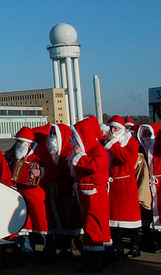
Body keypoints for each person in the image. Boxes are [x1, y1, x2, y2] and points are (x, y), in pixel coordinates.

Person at [70, 117, 113, 272]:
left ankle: (94, 261)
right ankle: (107, 254)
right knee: (96, 224)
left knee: (93, 224)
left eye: (76, 137)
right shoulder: (91, 150)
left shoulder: (97, 150)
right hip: (87, 191)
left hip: (94, 192)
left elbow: (96, 167)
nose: (73, 140)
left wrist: (81, 157)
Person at [6, 127, 51, 258]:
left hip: (37, 195)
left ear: (28, 143)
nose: (18, 144)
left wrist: (41, 172)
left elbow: (53, 171)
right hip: (21, 194)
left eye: (21, 142)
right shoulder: (16, 153)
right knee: (25, 224)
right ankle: (28, 250)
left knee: (42, 224)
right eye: (17, 141)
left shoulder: (40, 153)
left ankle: (48, 251)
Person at [105, 115, 143, 258]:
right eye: (111, 127)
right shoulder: (108, 142)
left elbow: (126, 159)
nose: (112, 130)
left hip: (126, 184)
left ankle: (135, 247)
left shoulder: (131, 142)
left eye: (115, 128)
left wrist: (113, 143)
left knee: (131, 218)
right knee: (114, 220)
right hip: (113, 184)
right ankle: (117, 247)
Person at [45, 123, 83, 258]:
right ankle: (64, 247)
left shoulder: (68, 151)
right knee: (59, 217)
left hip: (67, 190)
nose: (52, 137)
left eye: (55, 134)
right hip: (55, 190)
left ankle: (77, 245)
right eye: (51, 134)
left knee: (71, 217)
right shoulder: (51, 152)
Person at [137, 123, 161, 253]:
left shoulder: (158, 147)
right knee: (147, 211)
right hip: (147, 183)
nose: (146, 137)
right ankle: (151, 240)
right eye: (144, 134)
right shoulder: (141, 149)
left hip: (158, 183)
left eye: (148, 134)